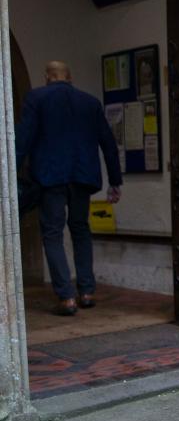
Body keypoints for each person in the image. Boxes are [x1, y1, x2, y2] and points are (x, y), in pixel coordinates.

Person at [16, 61, 122, 315]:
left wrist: (8, 177)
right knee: (81, 230)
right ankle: (86, 291)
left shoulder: (36, 98)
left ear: (47, 77)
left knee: (52, 234)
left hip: (50, 176)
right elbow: (108, 143)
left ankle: (66, 297)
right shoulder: (89, 102)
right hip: (83, 177)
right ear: (70, 77)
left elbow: (23, 140)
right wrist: (115, 181)